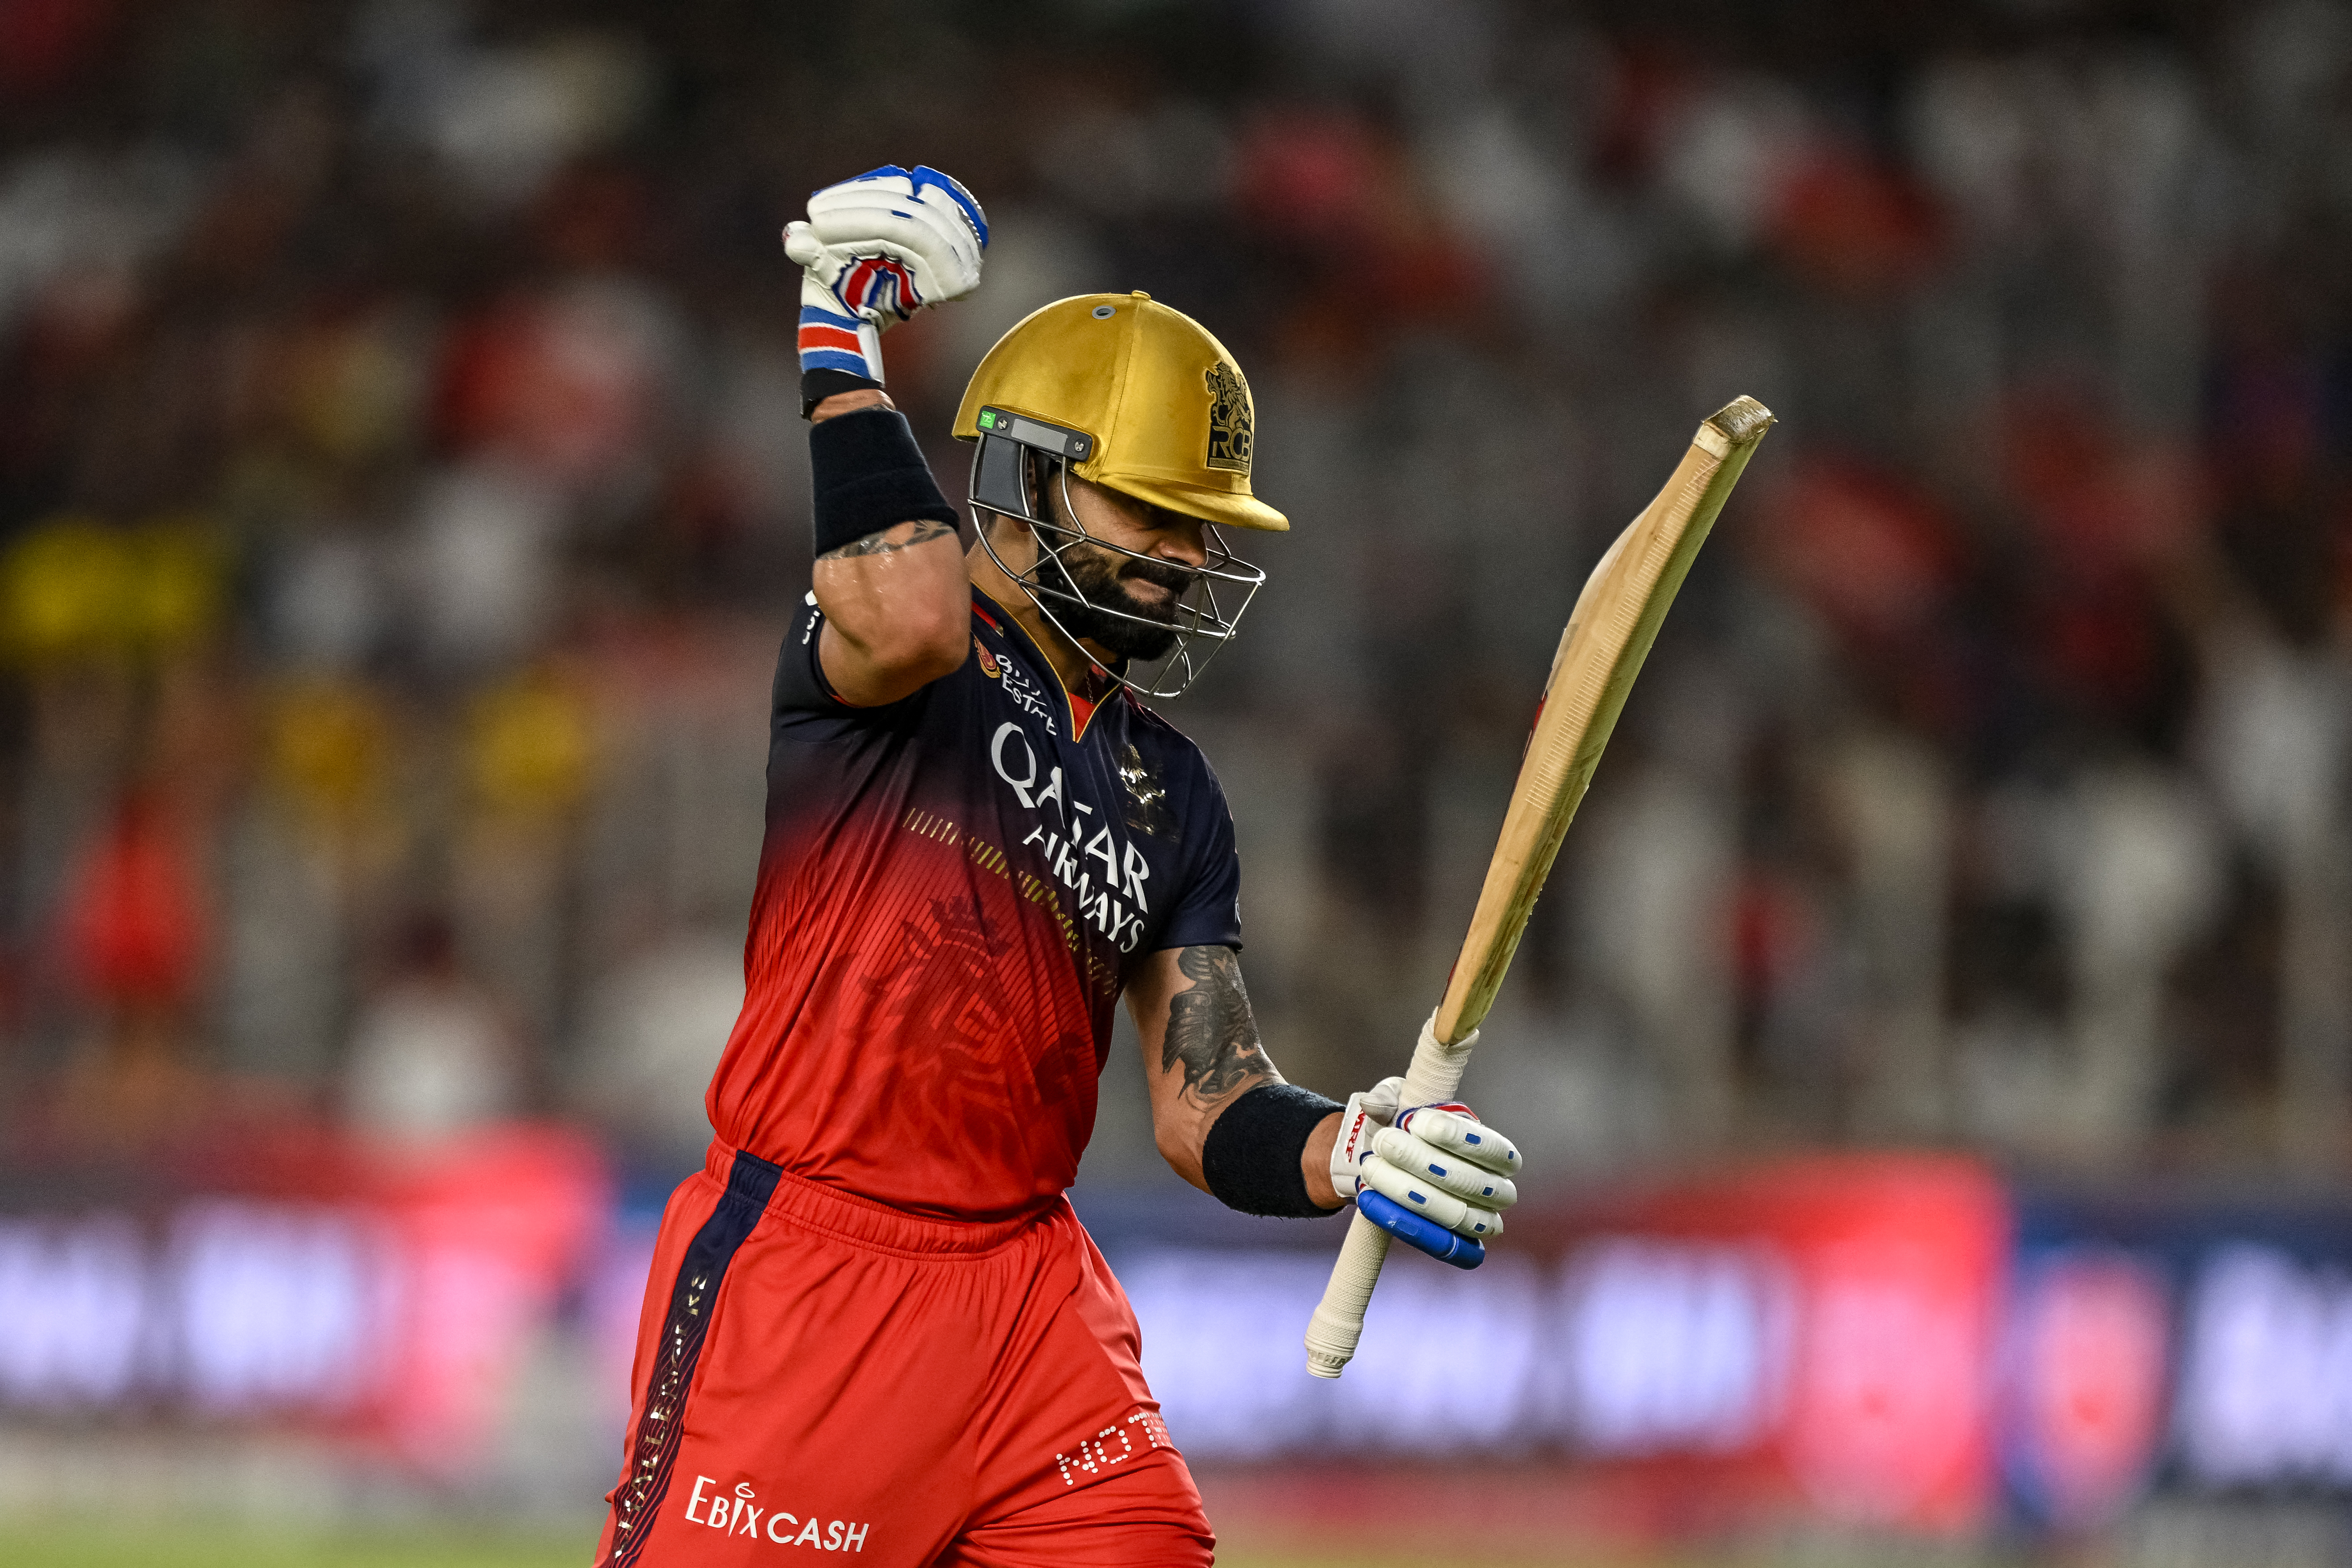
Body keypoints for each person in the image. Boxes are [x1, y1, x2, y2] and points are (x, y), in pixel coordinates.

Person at [596, 166, 1526, 1568]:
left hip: (1031, 1300)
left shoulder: (1182, 794)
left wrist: (1348, 1143)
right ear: (1028, 483)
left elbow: (1203, 1101)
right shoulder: (909, 649)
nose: (1187, 553)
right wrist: (837, 326)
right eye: (1149, 511)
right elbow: (907, 605)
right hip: (816, 1276)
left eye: (1199, 523)